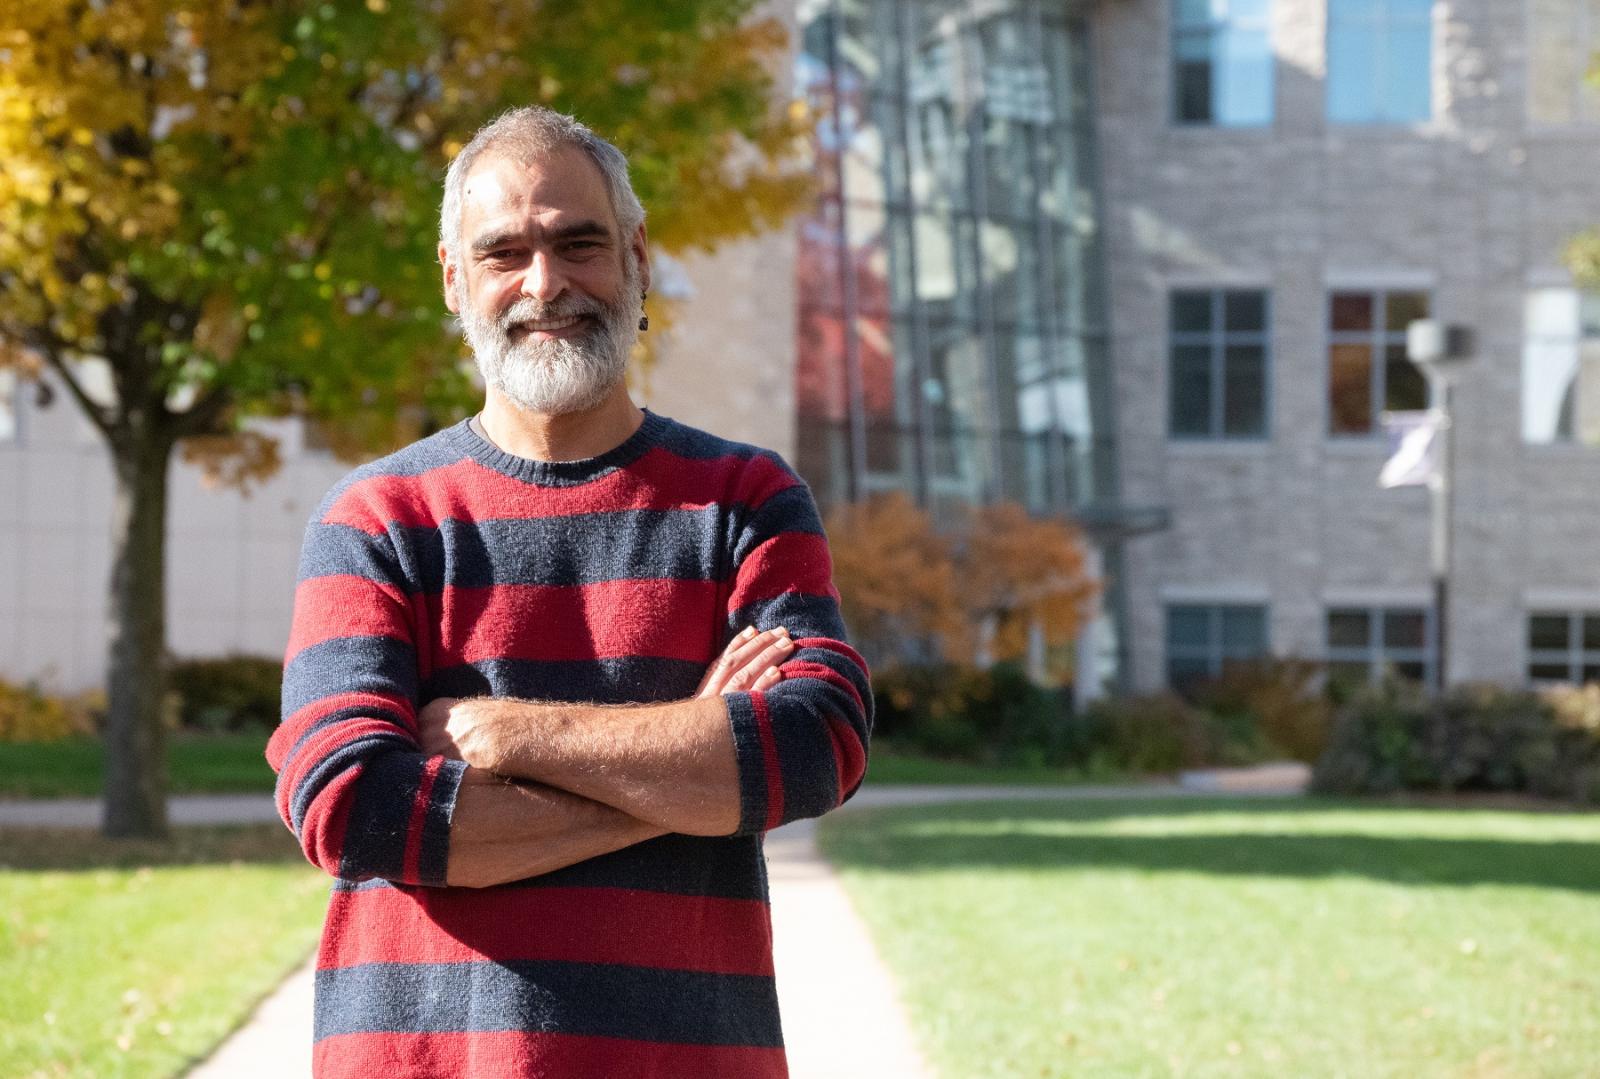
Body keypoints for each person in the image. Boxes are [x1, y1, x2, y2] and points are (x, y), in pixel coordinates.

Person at [266, 106, 871, 1077]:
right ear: (455, 279)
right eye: (504, 251)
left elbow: (814, 742)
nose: (544, 283)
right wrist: (696, 759)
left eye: (578, 242)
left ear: (633, 257)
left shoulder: (743, 499)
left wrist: (505, 735)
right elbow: (353, 805)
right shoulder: (376, 518)